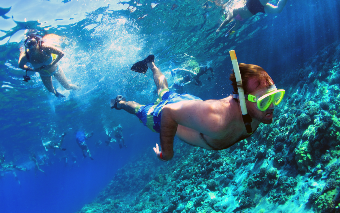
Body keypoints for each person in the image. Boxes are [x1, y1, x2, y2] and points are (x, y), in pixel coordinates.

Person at [111, 54, 285, 161]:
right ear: (243, 99)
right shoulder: (216, 120)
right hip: (167, 113)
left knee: (164, 90)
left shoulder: (255, 110)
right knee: (139, 110)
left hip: (192, 104)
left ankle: (152, 64)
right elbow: (168, 112)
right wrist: (167, 154)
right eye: (264, 101)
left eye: (275, 97)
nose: (272, 107)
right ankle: (120, 103)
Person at [18, 32, 79, 97]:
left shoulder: (45, 48)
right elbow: (21, 66)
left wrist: (51, 64)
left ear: (38, 42)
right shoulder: (26, 56)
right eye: (29, 45)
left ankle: (79, 88)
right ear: (26, 46)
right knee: (51, 90)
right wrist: (33, 70)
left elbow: (61, 54)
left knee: (67, 87)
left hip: (56, 70)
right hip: (44, 75)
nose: (32, 47)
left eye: (33, 43)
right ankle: (57, 94)